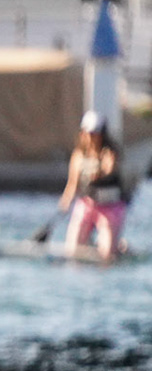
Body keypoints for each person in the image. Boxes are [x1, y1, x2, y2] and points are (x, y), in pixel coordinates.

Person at [58, 109, 130, 259]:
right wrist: (65, 202)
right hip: (86, 206)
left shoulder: (109, 153)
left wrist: (99, 174)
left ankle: (117, 247)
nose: (92, 137)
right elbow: (72, 184)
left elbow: (109, 168)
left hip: (110, 208)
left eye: (96, 133)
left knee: (106, 256)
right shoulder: (78, 155)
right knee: (72, 253)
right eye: (89, 133)